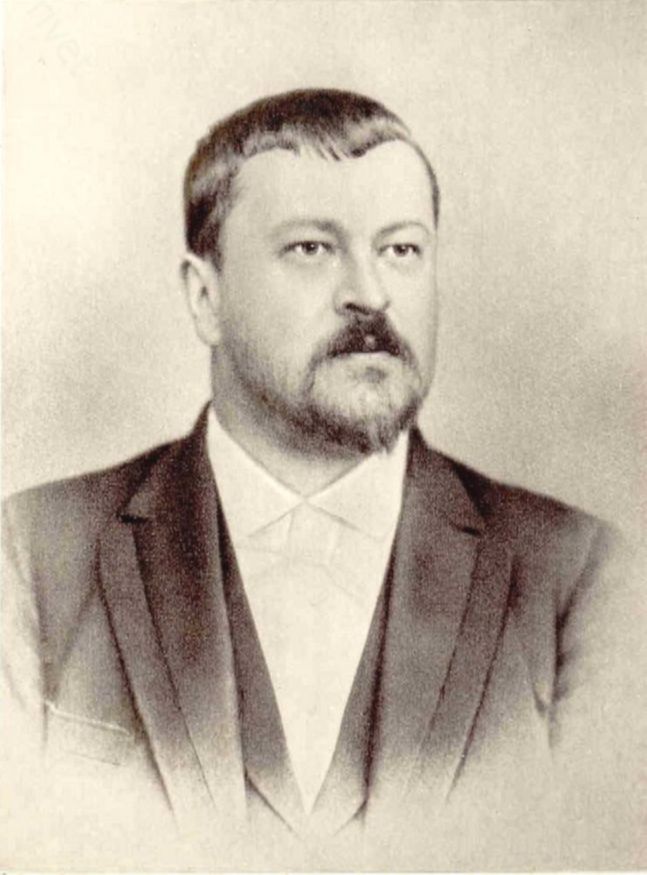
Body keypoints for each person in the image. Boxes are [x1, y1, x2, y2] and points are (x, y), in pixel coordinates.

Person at [1, 88, 644, 871]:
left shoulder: (579, 577)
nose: (370, 294)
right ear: (205, 298)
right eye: (311, 248)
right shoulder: (32, 555)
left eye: (400, 249)